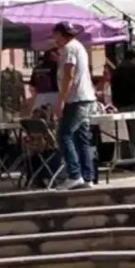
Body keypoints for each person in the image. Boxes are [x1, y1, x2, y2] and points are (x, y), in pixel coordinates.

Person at [53, 21, 96, 191]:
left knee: (64, 135)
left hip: (76, 99)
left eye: (55, 35)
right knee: (81, 138)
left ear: (61, 34)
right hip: (86, 98)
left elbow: (68, 75)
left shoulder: (69, 49)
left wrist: (61, 100)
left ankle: (74, 175)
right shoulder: (79, 47)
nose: (54, 39)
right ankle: (88, 176)